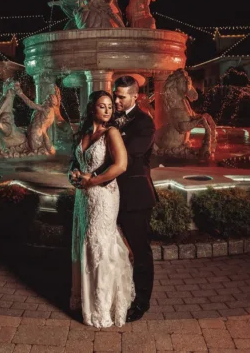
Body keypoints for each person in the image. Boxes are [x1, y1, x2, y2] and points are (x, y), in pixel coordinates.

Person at [68, 90, 135, 328]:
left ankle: (103, 308)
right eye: (102, 106)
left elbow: (121, 166)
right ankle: (85, 301)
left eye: (109, 106)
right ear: (92, 109)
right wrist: (72, 175)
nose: (107, 110)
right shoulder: (85, 133)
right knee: (83, 243)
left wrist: (91, 181)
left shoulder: (112, 133)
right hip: (82, 198)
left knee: (99, 247)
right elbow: (75, 161)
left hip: (104, 197)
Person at [110, 75, 158, 322]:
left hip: (134, 197)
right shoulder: (110, 117)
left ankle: (141, 302)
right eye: (115, 95)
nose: (116, 100)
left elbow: (127, 155)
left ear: (135, 96)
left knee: (139, 251)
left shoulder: (145, 123)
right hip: (107, 196)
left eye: (121, 96)